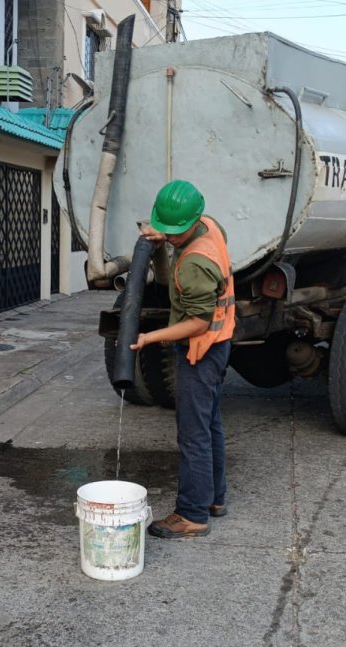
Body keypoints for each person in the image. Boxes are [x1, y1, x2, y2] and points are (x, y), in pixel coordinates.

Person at [130, 180, 235, 539]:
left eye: (177, 232)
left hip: (200, 349)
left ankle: (191, 513)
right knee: (210, 424)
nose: (172, 237)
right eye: (167, 230)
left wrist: (150, 337)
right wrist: (163, 238)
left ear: (193, 222)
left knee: (192, 434)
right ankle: (214, 499)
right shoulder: (210, 224)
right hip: (221, 343)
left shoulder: (195, 263)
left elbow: (197, 321)